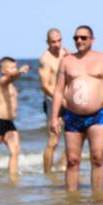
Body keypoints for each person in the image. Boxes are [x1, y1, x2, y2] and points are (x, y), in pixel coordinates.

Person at [49, 25, 103, 195]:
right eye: (76, 38)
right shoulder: (67, 61)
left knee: (98, 158)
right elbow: (58, 91)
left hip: (98, 115)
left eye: (83, 37)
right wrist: (54, 117)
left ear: (92, 39)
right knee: (72, 160)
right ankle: (71, 199)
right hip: (72, 116)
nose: (79, 40)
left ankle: (97, 197)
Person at [39, 28, 67, 174]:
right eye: (53, 42)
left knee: (74, 137)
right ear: (47, 42)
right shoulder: (45, 59)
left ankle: (62, 164)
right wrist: (59, 99)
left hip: (68, 100)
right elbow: (44, 85)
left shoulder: (66, 53)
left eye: (59, 40)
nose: (57, 44)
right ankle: (47, 173)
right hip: (52, 101)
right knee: (53, 141)